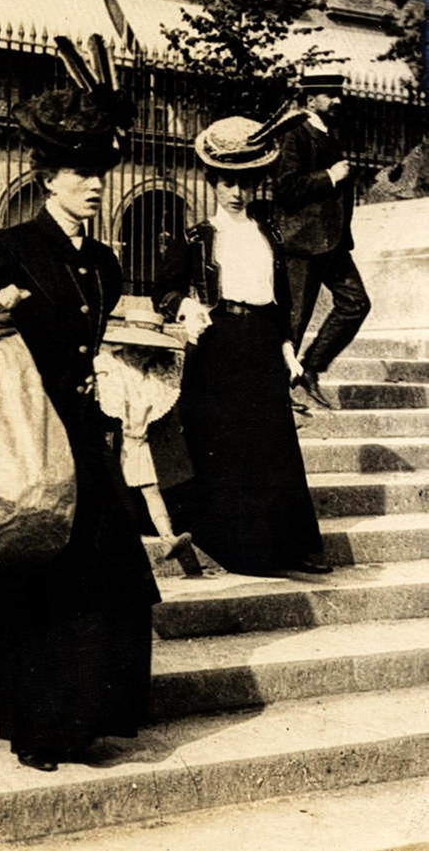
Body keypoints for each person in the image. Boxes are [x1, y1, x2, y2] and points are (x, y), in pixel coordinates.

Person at [0, 56, 160, 773]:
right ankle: (37, 728)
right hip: (28, 436)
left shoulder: (103, 262)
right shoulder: (4, 250)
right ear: (46, 177)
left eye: (99, 172)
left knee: (106, 579)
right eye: (78, 172)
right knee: (33, 578)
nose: (92, 185)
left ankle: (90, 717)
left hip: (85, 437)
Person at [153, 114, 331, 577]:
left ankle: (290, 547)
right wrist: (187, 307)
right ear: (213, 181)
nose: (236, 192)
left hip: (261, 344)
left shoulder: (268, 234)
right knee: (227, 448)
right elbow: (164, 291)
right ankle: (245, 551)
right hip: (217, 345)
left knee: (272, 448)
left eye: (245, 183)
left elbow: (282, 301)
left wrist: (288, 349)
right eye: (227, 182)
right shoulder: (198, 237)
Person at [275, 72, 371, 409]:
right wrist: (330, 176)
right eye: (330, 94)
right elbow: (285, 189)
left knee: (356, 303)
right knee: (295, 319)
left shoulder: (328, 133)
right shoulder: (294, 133)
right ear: (310, 99)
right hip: (302, 241)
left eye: (338, 94)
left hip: (333, 242)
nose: (338, 100)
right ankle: (275, 390)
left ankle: (311, 369)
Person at [94, 308, 203, 577]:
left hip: (139, 443)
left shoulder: (156, 375)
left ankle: (168, 537)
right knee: (112, 493)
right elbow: (108, 408)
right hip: (118, 445)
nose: (143, 355)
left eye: (149, 350)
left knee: (151, 490)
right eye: (138, 348)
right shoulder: (109, 370)